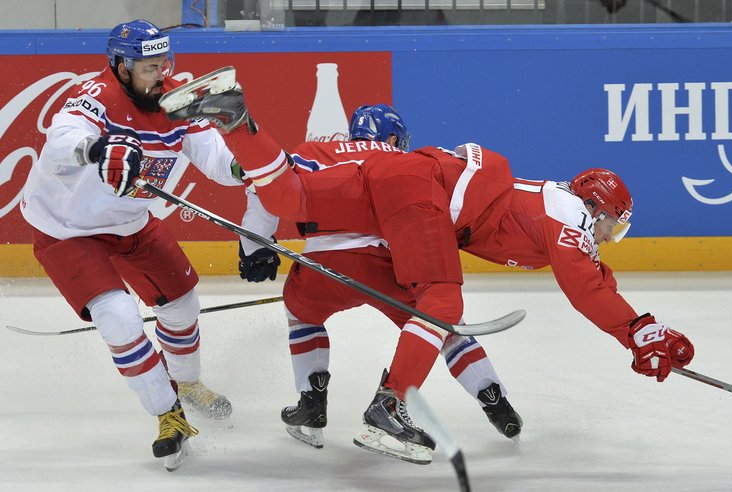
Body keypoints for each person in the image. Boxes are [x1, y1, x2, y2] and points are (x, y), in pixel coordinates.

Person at [160, 66, 695, 464]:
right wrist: (637, 332)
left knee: (288, 198)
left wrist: (649, 331)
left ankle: (238, 122)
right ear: (596, 207)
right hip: (417, 193)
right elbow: (584, 285)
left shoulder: (548, 202)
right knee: (441, 300)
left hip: (388, 182)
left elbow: (594, 279)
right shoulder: (569, 212)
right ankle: (389, 407)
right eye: (613, 224)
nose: (608, 235)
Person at [236, 104, 522, 452]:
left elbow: (264, 187)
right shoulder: (406, 160)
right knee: (439, 323)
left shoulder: (312, 150)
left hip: (323, 266)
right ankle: (494, 400)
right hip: (389, 265)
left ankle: (312, 402)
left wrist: (254, 247)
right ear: (390, 137)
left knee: (301, 314)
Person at [19, 20, 239, 470]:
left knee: (182, 303)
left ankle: (188, 383)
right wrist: (98, 148)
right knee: (118, 316)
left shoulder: (180, 98)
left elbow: (217, 159)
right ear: (121, 68)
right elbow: (61, 140)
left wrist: (249, 162)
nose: (160, 74)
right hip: (66, 228)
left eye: (165, 63)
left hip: (130, 220)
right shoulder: (94, 96)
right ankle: (167, 413)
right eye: (148, 67)